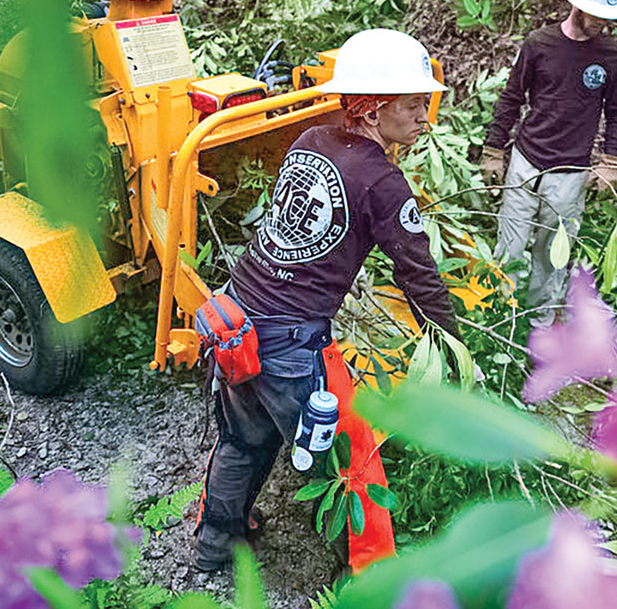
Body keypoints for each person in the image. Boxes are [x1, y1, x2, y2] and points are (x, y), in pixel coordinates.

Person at [194, 28, 460, 569]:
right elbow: (419, 274)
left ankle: (213, 547)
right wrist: (452, 342)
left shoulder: (310, 140)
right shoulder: (383, 183)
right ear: (372, 109)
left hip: (236, 316)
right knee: (350, 467)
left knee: (244, 440)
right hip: (290, 346)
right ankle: (372, 582)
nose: (424, 119)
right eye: (413, 106)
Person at [480, 0, 617, 326]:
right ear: (576, 3)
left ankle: (539, 329)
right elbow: (512, 97)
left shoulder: (613, 58)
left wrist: (611, 162)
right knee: (510, 249)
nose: (603, 22)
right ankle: (501, 323)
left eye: (609, 16)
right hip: (526, 162)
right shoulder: (539, 44)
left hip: (570, 172)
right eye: (598, 13)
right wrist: (493, 151)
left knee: (552, 257)